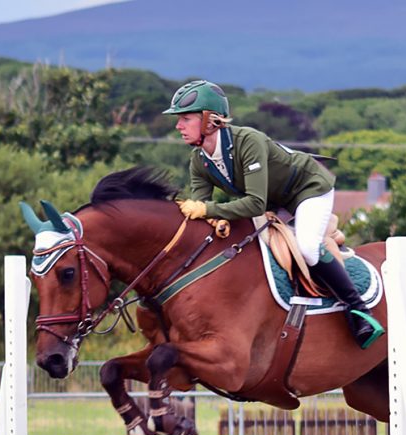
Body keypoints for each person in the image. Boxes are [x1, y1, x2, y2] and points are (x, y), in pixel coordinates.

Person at [164, 80, 384, 349]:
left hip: (308, 189)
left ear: (210, 120)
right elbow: (201, 207)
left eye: (185, 118)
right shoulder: (199, 161)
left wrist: (209, 209)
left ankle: (359, 311)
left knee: (307, 248)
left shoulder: (248, 141)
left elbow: (254, 204)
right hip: (274, 201)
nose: (178, 126)